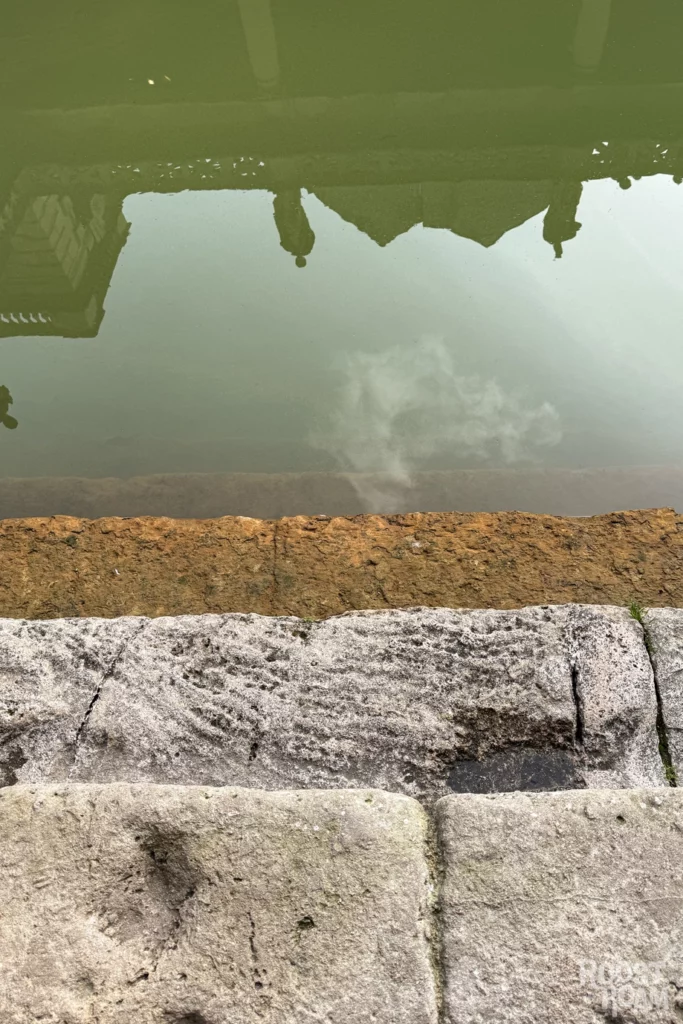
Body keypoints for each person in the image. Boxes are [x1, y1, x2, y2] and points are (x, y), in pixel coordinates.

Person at [272, 189, 315, 267]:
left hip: (288, 224)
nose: (300, 258)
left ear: (296, 260)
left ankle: (283, 189)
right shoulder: (307, 247)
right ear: (304, 259)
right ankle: (292, 188)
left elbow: (281, 232)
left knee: (285, 206)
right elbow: (311, 234)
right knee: (295, 206)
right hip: (299, 223)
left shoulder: (288, 247)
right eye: (301, 260)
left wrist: (277, 219)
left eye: (299, 260)